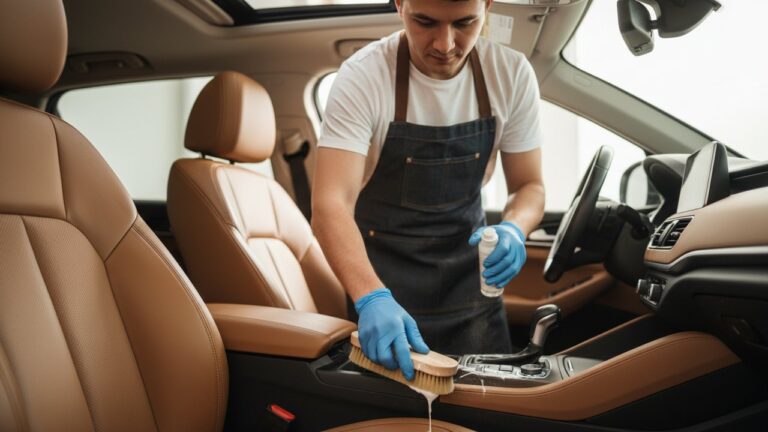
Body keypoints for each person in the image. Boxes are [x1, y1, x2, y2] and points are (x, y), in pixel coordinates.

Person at [312, 0, 544, 381]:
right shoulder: (364, 76)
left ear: (486, 5)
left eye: (465, 23)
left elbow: (529, 185)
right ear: (400, 4)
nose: (445, 44)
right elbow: (330, 205)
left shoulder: (510, 73)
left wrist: (515, 227)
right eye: (425, 22)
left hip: (474, 300)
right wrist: (371, 297)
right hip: (384, 295)